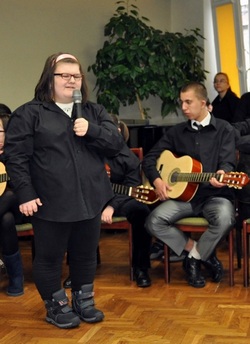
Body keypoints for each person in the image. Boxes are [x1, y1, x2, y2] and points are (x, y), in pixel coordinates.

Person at [3, 52, 124, 329]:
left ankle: (83, 300)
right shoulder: (29, 113)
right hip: (49, 200)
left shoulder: (94, 112)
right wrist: (25, 193)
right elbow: (16, 157)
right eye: (65, 75)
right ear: (50, 79)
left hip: (91, 198)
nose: (72, 81)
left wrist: (91, 130)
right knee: (50, 257)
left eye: (77, 76)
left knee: (85, 254)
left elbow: (116, 144)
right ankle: (56, 306)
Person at [142, 82, 236, 288]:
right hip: (186, 198)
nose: (183, 107)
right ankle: (201, 252)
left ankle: (192, 259)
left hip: (215, 195)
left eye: (188, 102)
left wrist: (223, 174)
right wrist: (157, 180)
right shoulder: (176, 132)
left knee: (225, 218)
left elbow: (228, 162)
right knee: (154, 221)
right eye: (181, 102)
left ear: (203, 103)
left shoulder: (224, 129)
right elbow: (149, 158)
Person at [63, 115, 152, 288]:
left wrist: (111, 206)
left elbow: (132, 187)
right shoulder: (86, 151)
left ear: (116, 132)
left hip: (120, 200)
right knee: (76, 213)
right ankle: (78, 271)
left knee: (141, 210)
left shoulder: (129, 158)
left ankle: (141, 268)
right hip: (90, 199)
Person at [0, 107, 24, 297]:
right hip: (5, 214)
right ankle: (16, 276)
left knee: (8, 196)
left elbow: (22, 185)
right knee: (5, 220)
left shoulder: (17, 154)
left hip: (22, 207)